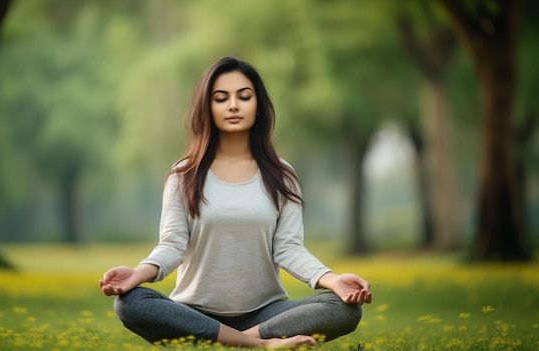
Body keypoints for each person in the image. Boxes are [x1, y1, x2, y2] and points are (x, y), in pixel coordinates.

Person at [99, 56, 372, 349]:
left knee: (343, 309)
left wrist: (333, 280)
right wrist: (137, 273)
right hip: (194, 312)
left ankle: (229, 341)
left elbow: (288, 248)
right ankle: (260, 345)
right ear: (208, 107)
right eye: (221, 98)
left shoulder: (282, 175)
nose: (233, 105)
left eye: (244, 97)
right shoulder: (184, 174)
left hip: (266, 314)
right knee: (130, 303)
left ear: (258, 108)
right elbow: (172, 245)